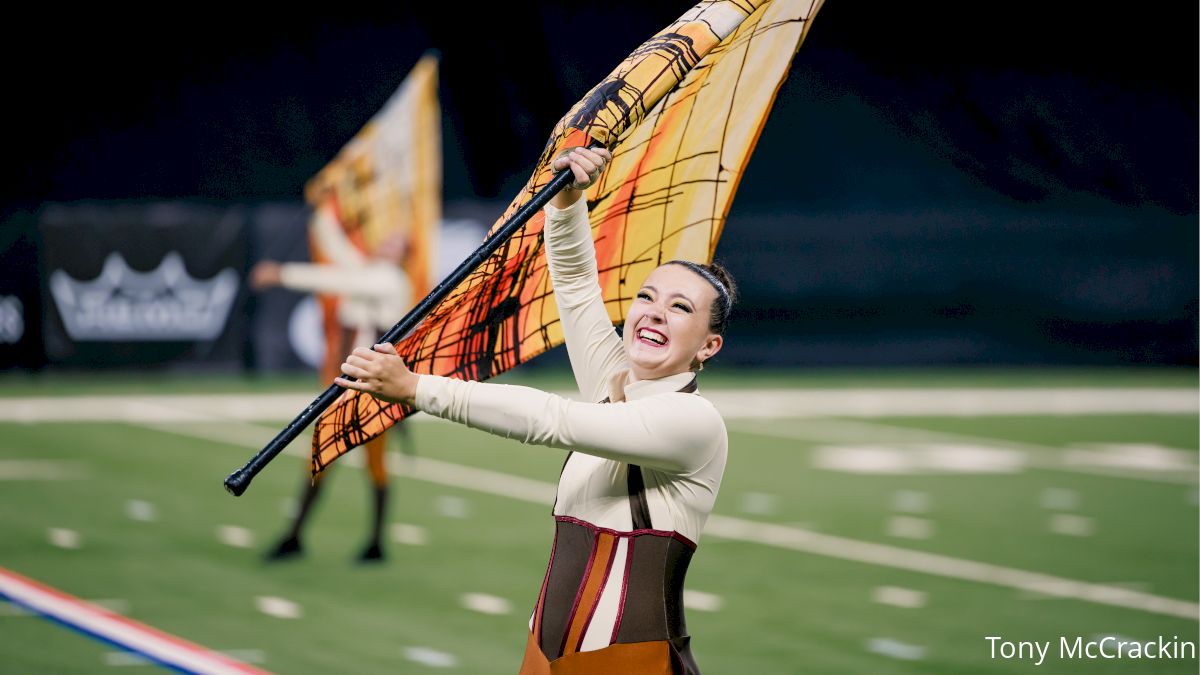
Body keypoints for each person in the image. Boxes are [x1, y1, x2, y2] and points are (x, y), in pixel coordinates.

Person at [335, 146, 736, 674]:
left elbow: (552, 419)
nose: (654, 312)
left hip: (630, 660)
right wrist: (567, 200)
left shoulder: (694, 423)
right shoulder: (612, 383)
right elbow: (572, 284)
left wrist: (416, 388)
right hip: (543, 654)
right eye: (647, 296)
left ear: (708, 346)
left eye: (680, 308)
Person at [252, 204, 416, 563]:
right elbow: (336, 250)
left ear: (404, 255)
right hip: (349, 386)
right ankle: (302, 537)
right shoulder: (369, 273)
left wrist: (280, 273)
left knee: (370, 465)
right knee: (322, 460)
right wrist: (325, 211)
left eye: (395, 243)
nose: (385, 245)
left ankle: (371, 542)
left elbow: (336, 277)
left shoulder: (389, 279)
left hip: (372, 387)